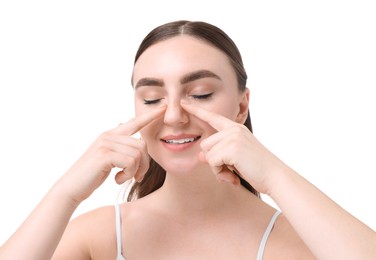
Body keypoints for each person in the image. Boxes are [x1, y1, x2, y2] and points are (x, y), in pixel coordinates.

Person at [0, 20, 375, 260]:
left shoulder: (297, 240)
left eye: (199, 93)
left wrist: (275, 175)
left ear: (242, 106)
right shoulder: (98, 236)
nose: (175, 115)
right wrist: (65, 193)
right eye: (151, 98)